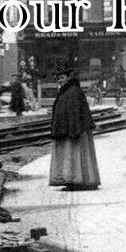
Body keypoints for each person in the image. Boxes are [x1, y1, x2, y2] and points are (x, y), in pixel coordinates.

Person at [48, 62, 100, 190]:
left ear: (68, 77)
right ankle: (75, 180)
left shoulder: (73, 91)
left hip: (73, 130)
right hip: (69, 129)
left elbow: (75, 112)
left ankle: (76, 180)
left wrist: (74, 130)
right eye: (58, 77)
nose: (60, 79)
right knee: (73, 155)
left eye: (62, 77)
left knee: (74, 155)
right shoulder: (67, 91)